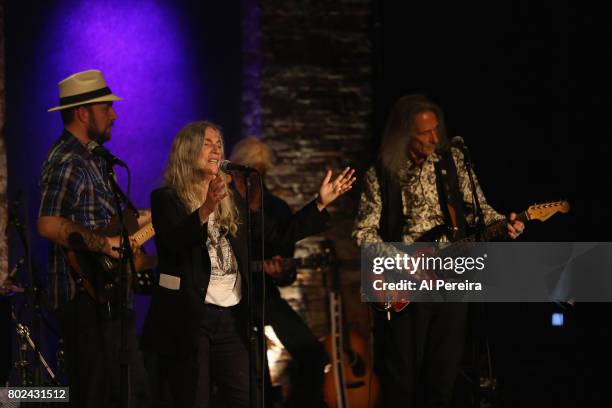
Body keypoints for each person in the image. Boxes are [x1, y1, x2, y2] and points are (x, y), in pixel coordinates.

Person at [140, 122, 355, 407]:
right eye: (208, 143)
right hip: (192, 317)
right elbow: (175, 240)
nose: (216, 148)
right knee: (195, 397)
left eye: (219, 143)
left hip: (231, 317)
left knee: (245, 397)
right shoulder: (167, 199)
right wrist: (205, 209)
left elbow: (277, 235)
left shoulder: (233, 200)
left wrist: (319, 203)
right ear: (188, 150)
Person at [352, 94, 524, 407]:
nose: (434, 138)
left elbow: (480, 209)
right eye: (424, 133)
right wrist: (404, 261)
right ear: (405, 134)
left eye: (436, 130)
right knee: (401, 379)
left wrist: (506, 223)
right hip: (404, 284)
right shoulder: (380, 174)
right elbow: (363, 233)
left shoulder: (452, 163)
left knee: (444, 375)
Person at [38, 69, 150, 407]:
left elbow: (105, 222)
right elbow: (47, 224)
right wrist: (106, 246)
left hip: (107, 295)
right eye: (106, 108)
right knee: (93, 395)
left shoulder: (95, 160)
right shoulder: (67, 160)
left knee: (132, 392)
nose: (114, 114)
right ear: (83, 113)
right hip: (81, 300)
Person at [230, 137, 330, 408]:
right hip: (232, 301)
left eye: (258, 172)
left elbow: (288, 269)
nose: (252, 179)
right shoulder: (222, 205)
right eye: (246, 171)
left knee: (314, 354)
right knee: (254, 364)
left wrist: (280, 271)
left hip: (265, 295)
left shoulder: (276, 209)